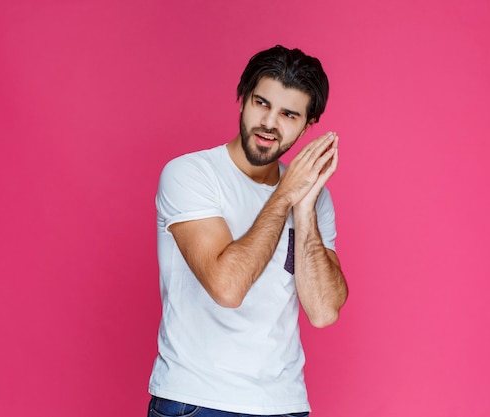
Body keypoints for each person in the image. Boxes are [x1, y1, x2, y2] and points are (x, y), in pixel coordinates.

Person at [147, 45, 348, 417]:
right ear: (242, 100)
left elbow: (322, 312)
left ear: (308, 126)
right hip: (197, 402)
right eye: (261, 103)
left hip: (284, 405)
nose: (270, 123)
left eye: (289, 114)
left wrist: (304, 209)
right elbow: (227, 287)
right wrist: (285, 195)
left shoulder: (315, 197)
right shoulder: (191, 174)